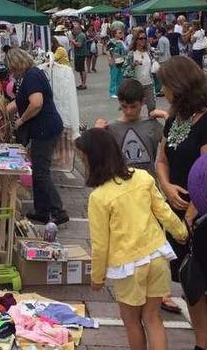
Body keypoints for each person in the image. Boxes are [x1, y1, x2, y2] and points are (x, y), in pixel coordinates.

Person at [80, 128, 188, 350]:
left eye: (84, 158)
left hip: (128, 266)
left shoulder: (99, 197)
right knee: (153, 318)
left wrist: (97, 277)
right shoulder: (142, 177)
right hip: (157, 255)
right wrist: (181, 232)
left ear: (93, 159)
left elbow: (100, 244)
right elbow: (164, 212)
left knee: (132, 323)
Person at [153, 56, 207, 350]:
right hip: (178, 213)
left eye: (166, 85)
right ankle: (202, 342)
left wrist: (191, 215)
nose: (164, 91)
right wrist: (166, 185)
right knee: (191, 279)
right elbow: (162, 158)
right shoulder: (175, 118)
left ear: (180, 85)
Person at [4, 48, 68, 225]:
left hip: (44, 129)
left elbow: (36, 103)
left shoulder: (32, 76)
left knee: (41, 172)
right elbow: (19, 102)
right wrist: (2, 112)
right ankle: (42, 210)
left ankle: (58, 210)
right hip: (45, 128)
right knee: (39, 170)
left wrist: (21, 121)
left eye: (11, 68)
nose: (11, 72)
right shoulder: (32, 75)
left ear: (16, 64)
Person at [127, 32, 156, 112]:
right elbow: (124, 69)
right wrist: (133, 65)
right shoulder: (131, 54)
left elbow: (152, 64)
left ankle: (152, 123)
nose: (143, 40)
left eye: (145, 38)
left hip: (149, 83)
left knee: (152, 106)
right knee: (135, 108)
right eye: (141, 38)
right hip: (137, 85)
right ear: (136, 40)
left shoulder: (148, 52)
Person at [106, 26, 128, 99]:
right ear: (115, 34)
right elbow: (108, 51)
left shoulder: (122, 42)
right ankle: (112, 92)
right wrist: (110, 59)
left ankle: (119, 92)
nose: (121, 34)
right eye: (119, 33)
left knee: (120, 77)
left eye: (121, 33)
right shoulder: (112, 41)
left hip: (122, 61)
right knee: (114, 77)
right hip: (115, 61)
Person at [71, 22, 88, 89]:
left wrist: (73, 41)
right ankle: (82, 83)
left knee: (82, 69)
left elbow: (79, 45)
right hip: (79, 54)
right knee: (80, 70)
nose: (73, 31)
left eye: (74, 29)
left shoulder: (81, 35)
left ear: (78, 29)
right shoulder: (79, 35)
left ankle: (83, 84)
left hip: (81, 54)